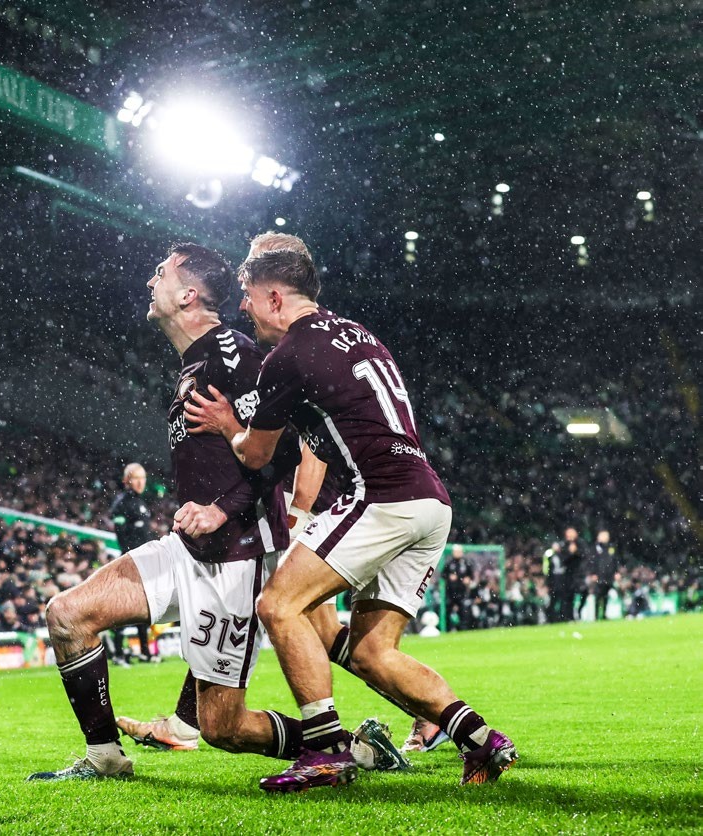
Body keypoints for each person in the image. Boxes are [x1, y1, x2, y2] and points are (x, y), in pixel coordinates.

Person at [27, 243, 399, 782]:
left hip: (237, 558)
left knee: (222, 727)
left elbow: (290, 450)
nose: (150, 279)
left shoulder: (235, 354)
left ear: (188, 295)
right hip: (190, 548)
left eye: (162, 272)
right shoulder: (193, 362)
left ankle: (359, 749)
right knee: (68, 615)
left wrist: (225, 510)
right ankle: (105, 758)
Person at [186, 249, 517, 791]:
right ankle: (481, 740)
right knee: (370, 652)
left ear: (276, 297)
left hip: (379, 494)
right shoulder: (356, 332)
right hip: (429, 500)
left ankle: (326, 749)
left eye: (249, 297)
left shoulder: (288, 356)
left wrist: (227, 424)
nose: (243, 308)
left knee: (278, 603)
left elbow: (255, 454)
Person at [117, 232, 431, 760]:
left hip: (325, 508)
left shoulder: (291, 350)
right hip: (346, 501)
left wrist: (299, 512)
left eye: (255, 268)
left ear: (278, 282)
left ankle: (397, 723)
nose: (245, 296)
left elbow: (306, 450)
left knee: (313, 626)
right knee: (312, 626)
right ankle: (187, 718)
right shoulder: (321, 338)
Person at [108, 463, 159, 664]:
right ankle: (119, 653)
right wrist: (132, 558)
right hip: (131, 563)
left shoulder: (140, 502)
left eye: (143, 478)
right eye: (136, 478)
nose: (140, 482)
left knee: (143, 608)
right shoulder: (122, 503)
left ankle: (145, 651)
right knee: (125, 607)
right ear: (127, 480)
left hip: (144, 562)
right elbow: (122, 536)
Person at [590, 530, 617, 620]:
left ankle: (604, 614)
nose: (605, 538)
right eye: (603, 536)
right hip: (599, 575)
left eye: (606, 536)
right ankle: (596, 615)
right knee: (598, 595)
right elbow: (592, 561)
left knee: (605, 596)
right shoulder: (595, 548)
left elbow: (615, 561)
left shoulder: (611, 547)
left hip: (609, 576)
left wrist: (616, 572)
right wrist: (593, 573)